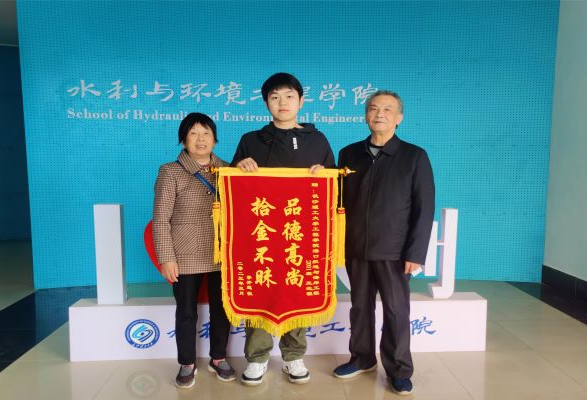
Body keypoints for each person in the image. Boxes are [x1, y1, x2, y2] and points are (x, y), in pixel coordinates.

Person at [231, 72, 335, 386]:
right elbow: (232, 189)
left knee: (296, 288)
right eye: (275, 97)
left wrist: (324, 175)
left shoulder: (317, 140)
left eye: (289, 96)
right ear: (266, 103)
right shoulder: (251, 140)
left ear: (301, 101)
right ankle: (257, 358)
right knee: (260, 288)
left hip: (300, 232)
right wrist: (240, 168)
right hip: (260, 231)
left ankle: (293, 355)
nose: (282, 103)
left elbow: (335, 188)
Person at [333, 91, 435, 396]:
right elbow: (336, 201)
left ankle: (399, 370)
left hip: (395, 250)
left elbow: (424, 208)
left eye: (388, 109)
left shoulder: (414, 156)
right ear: (366, 115)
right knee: (360, 307)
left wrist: (415, 252)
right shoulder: (349, 154)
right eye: (374, 108)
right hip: (356, 247)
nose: (379, 114)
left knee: (396, 310)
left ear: (399, 117)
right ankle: (361, 358)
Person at [153, 112, 236, 389]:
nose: (201, 140)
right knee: (187, 311)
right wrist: (166, 258)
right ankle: (187, 363)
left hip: (222, 253)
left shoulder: (228, 170)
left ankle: (218, 358)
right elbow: (161, 219)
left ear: (215, 139)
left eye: (206, 133)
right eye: (193, 134)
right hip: (184, 255)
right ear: (184, 139)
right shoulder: (170, 171)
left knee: (222, 309)